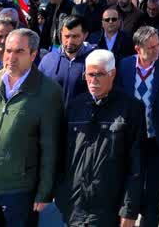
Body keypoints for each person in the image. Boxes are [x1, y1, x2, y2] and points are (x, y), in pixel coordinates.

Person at [0, 28, 63, 226]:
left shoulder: (48, 91)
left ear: (33, 55)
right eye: (8, 50)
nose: (11, 57)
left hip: (20, 192)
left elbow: (51, 146)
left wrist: (44, 191)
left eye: (19, 52)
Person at [55, 49, 144, 226]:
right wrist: (62, 195)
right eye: (89, 74)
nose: (93, 80)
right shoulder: (74, 107)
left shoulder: (131, 109)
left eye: (99, 75)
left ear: (112, 74)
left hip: (110, 208)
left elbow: (136, 164)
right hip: (74, 206)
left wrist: (129, 210)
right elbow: (61, 155)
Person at [117, 26, 159, 227]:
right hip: (131, 139)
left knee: (154, 192)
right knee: (130, 186)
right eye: (151, 47)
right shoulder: (124, 66)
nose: (156, 50)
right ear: (138, 48)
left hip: (157, 141)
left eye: (158, 45)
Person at [38, 15, 96, 108]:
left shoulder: (95, 60)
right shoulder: (48, 60)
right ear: (61, 33)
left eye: (75, 36)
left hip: (82, 120)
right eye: (67, 36)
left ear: (85, 35)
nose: (70, 41)